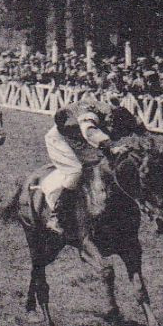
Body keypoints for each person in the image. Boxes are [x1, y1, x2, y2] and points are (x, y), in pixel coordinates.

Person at [40, 95, 118, 237]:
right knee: (76, 171)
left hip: (77, 136)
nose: (111, 125)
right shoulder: (89, 115)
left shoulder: (108, 110)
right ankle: (56, 216)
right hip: (59, 139)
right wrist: (111, 147)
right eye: (111, 121)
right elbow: (89, 131)